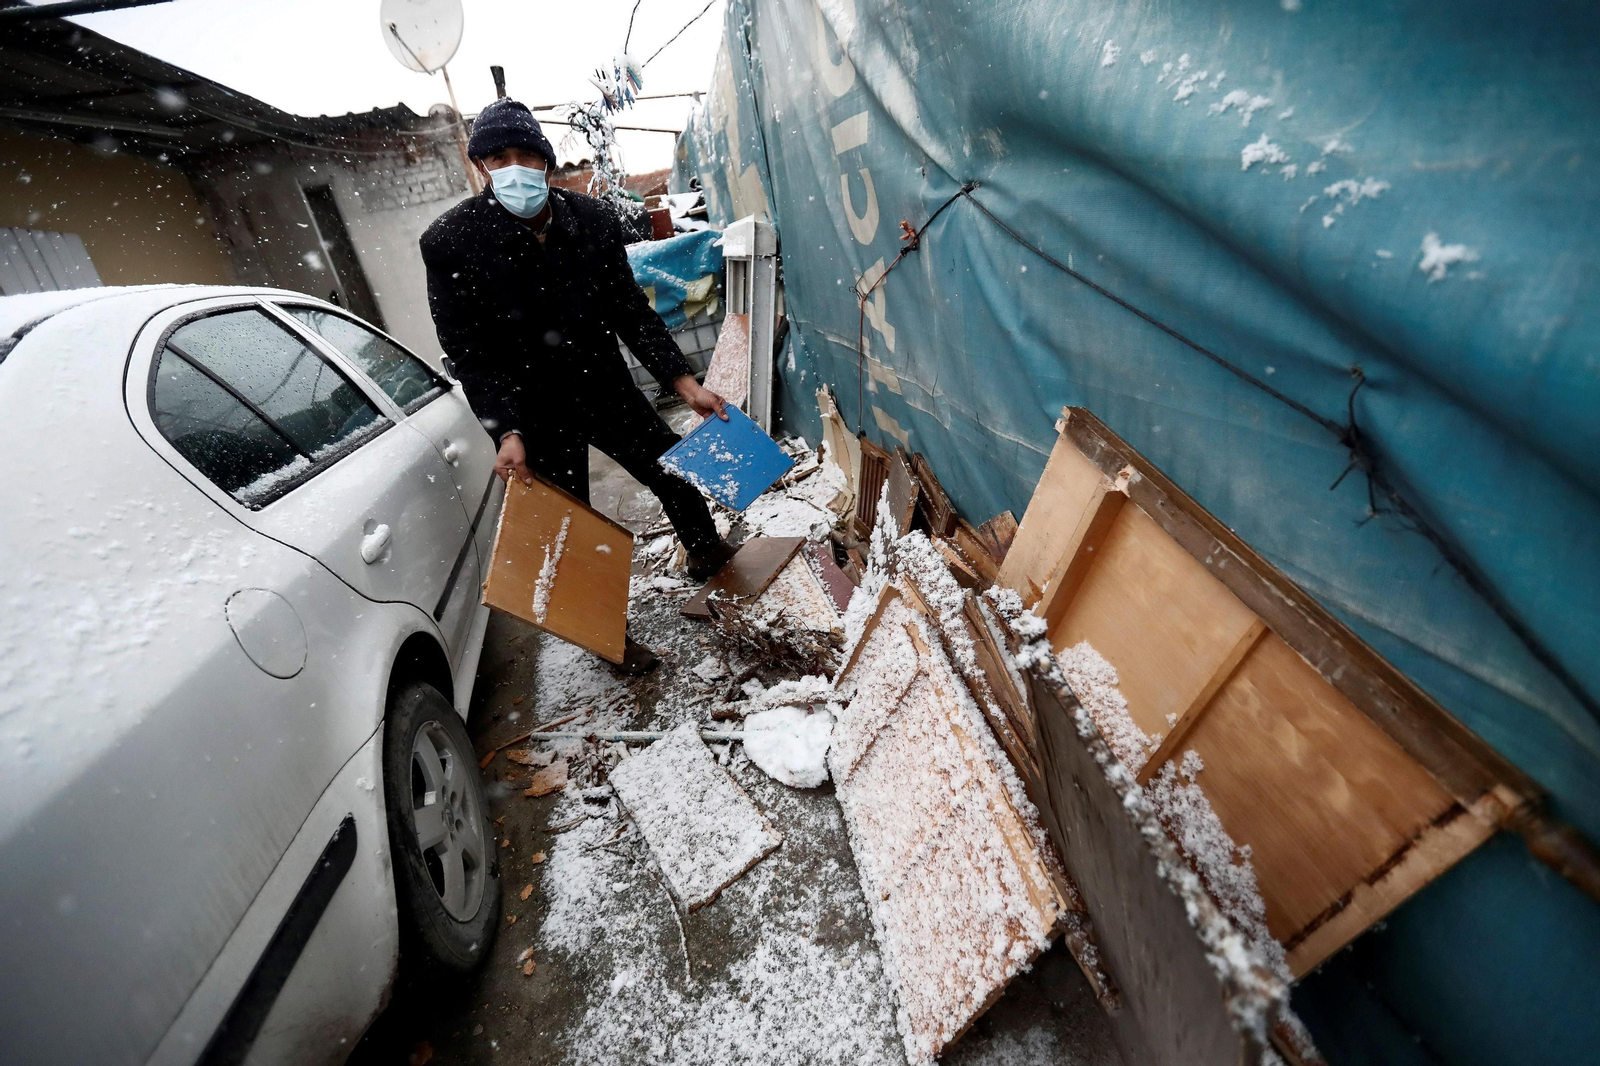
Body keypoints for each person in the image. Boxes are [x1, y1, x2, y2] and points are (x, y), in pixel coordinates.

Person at [420, 98, 736, 674]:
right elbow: (468, 351)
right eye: (497, 158)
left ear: (545, 159)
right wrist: (506, 431)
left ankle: (705, 549)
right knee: (571, 529)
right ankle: (606, 634)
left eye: (524, 154)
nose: (513, 167)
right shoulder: (451, 241)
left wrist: (683, 381)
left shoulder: (589, 220)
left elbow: (629, 310)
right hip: (531, 408)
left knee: (671, 468)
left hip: (602, 385)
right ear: (482, 168)